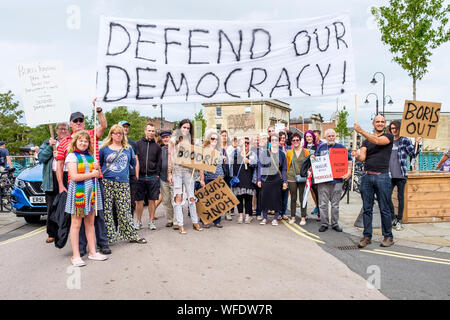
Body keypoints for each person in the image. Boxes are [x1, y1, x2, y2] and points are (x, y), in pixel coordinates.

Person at [56, 106, 110, 256]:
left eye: (81, 120)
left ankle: (102, 243)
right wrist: (60, 185)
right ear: (71, 124)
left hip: (94, 182)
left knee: (96, 215)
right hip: (77, 184)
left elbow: (104, 126)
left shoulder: (91, 135)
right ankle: (80, 247)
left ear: (84, 123)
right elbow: (60, 165)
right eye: (75, 121)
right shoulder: (64, 143)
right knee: (78, 217)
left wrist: (99, 111)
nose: (79, 123)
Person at [64, 130, 107, 267]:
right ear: (75, 141)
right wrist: (92, 173)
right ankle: (75, 255)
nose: (83, 143)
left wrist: (96, 169)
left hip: (92, 192)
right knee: (76, 224)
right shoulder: (71, 156)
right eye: (81, 140)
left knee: (90, 223)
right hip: (79, 192)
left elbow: (98, 174)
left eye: (86, 141)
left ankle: (93, 252)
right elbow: (74, 176)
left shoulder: (91, 156)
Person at [99, 124, 147, 245]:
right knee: (107, 211)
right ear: (111, 134)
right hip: (107, 182)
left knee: (125, 210)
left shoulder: (128, 149)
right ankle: (108, 237)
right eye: (115, 133)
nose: (118, 135)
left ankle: (131, 234)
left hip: (123, 183)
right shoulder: (104, 149)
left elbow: (133, 162)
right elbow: (99, 165)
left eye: (120, 133)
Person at [352, 115, 395, 248]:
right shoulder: (366, 142)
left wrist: (361, 131)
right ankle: (367, 236)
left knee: (384, 208)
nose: (380, 123)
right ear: (373, 123)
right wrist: (357, 155)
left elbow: (377, 141)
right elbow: (363, 157)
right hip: (367, 176)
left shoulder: (388, 136)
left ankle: (388, 236)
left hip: (382, 176)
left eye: (382, 121)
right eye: (378, 121)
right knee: (367, 208)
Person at [168, 119, 203, 234]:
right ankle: (180, 224)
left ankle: (195, 222)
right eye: (184, 127)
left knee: (191, 197)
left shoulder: (192, 141)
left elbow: (197, 156)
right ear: (180, 128)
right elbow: (170, 157)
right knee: (178, 197)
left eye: (188, 128)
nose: (186, 130)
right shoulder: (173, 140)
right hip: (177, 171)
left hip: (189, 172)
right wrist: (169, 173)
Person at [314, 129, 352, 232]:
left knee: (335, 205)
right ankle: (324, 223)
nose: (331, 137)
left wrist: (349, 171)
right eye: (329, 136)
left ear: (335, 137)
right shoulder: (321, 147)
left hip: (337, 180)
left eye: (332, 136)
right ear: (325, 137)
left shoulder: (341, 147)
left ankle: (335, 223)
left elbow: (349, 161)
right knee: (323, 204)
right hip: (323, 181)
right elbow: (316, 161)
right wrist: (314, 159)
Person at [386, 121, 421, 231]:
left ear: (400, 128)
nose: (394, 130)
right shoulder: (388, 140)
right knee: (387, 197)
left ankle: (399, 219)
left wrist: (417, 144)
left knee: (401, 197)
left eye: (396, 128)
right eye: (392, 128)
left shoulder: (405, 140)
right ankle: (393, 218)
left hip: (401, 174)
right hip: (389, 174)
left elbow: (413, 154)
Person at [38, 122, 69, 243]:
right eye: (61, 129)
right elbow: (41, 158)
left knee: (68, 206)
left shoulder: (71, 142)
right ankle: (52, 233)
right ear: (56, 131)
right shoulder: (47, 143)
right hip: (52, 178)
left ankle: (67, 231)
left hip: (67, 175)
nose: (63, 131)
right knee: (52, 206)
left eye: (65, 129)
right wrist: (50, 148)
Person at [135, 123, 162, 231]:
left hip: (152, 177)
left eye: (153, 131)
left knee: (152, 200)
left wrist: (157, 175)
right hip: (140, 177)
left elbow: (159, 162)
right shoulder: (137, 144)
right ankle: (138, 221)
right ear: (145, 131)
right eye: (149, 130)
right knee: (139, 201)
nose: (151, 133)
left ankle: (151, 221)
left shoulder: (157, 147)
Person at [257, 134, 287, 226]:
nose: (274, 142)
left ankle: (275, 218)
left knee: (277, 199)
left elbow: (284, 169)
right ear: (270, 142)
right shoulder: (265, 153)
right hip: (266, 179)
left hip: (277, 179)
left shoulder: (282, 154)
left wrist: (285, 181)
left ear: (279, 142)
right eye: (272, 140)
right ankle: (265, 218)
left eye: (276, 140)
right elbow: (260, 167)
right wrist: (259, 179)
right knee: (264, 199)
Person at [200, 131, 226, 228]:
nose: (214, 140)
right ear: (209, 139)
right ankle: (204, 220)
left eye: (216, 139)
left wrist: (223, 158)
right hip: (207, 178)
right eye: (212, 138)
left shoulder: (220, 151)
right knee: (206, 200)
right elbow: (201, 167)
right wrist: (202, 180)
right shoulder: (205, 151)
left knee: (218, 201)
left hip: (219, 178)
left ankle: (217, 221)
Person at [230, 137, 257, 224]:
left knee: (249, 199)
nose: (245, 145)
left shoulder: (252, 154)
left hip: (249, 180)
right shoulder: (236, 155)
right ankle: (241, 216)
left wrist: (249, 161)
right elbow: (233, 166)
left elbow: (256, 163)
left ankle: (248, 216)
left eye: (247, 143)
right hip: (239, 180)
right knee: (239, 198)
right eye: (244, 143)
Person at [286, 132, 309, 225]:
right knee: (293, 198)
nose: (295, 141)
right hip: (292, 176)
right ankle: (293, 216)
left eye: (297, 140)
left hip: (303, 177)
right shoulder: (289, 152)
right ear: (291, 141)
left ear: (300, 141)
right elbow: (287, 165)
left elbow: (308, 164)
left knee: (302, 197)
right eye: (293, 140)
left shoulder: (306, 151)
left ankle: (303, 217)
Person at [119, 120, 139, 220]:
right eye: (123, 126)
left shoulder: (132, 144)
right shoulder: (113, 142)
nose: (125, 128)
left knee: (131, 202)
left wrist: (137, 175)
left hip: (131, 176)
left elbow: (136, 159)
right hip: (119, 177)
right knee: (118, 203)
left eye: (127, 127)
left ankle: (129, 224)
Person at [159, 130, 178, 229]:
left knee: (175, 199)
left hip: (175, 177)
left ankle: (176, 221)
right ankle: (169, 219)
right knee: (166, 200)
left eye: (167, 137)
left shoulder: (176, 148)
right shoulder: (161, 150)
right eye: (164, 137)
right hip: (163, 178)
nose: (166, 139)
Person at [304, 130, 320, 220]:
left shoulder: (317, 147)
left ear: (313, 137)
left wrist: (316, 157)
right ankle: (304, 213)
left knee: (316, 192)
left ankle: (319, 212)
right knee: (305, 192)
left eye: (310, 136)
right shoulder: (303, 147)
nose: (309, 138)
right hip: (305, 172)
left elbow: (320, 158)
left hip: (314, 173)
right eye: (307, 137)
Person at [278, 131, 290, 221]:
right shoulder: (276, 149)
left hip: (288, 173)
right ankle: (278, 213)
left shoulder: (288, 148)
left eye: (284, 138)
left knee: (285, 195)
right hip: (278, 174)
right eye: (281, 138)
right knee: (278, 195)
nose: (282, 140)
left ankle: (284, 212)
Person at [250, 135, 263, 221]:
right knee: (251, 194)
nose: (257, 141)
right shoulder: (249, 151)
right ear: (252, 141)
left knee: (259, 195)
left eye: (258, 140)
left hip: (260, 175)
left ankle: (258, 212)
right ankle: (250, 212)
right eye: (255, 139)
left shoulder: (262, 151)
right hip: (250, 175)